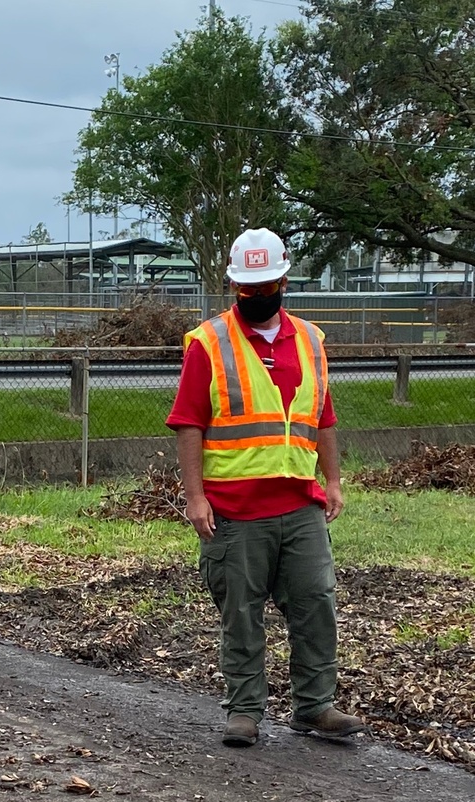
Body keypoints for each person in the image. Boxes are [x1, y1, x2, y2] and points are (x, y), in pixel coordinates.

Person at [166, 227, 364, 748]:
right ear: (234, 286)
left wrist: (334, 479)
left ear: (283, 279)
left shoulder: (311, 340)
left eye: (265, 286)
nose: (256, 297)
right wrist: (195, 497)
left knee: (315, 602)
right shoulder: (209, 343)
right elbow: (189, 422)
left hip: (300, 503)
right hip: (234, 510)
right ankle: (245, 710)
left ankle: (315, 707)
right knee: (241, 611)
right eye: (246, 290)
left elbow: (322, 415)